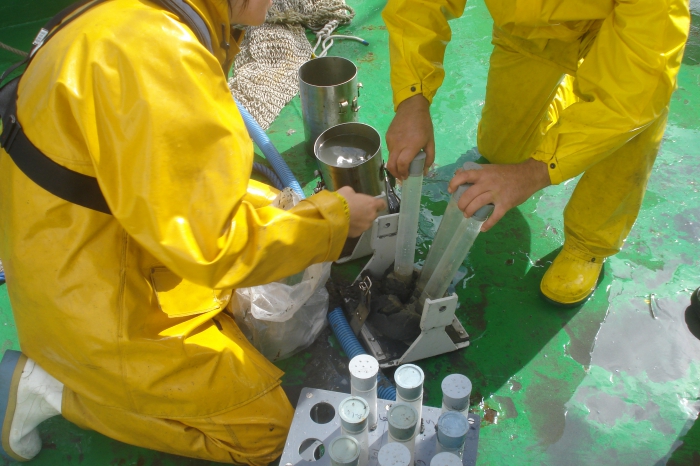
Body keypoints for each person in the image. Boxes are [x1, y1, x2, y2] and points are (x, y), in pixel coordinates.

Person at [0, 0, 385, 463]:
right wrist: (335, 220)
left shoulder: (152, 20)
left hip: (90, 237)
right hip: (90, 301)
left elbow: (176, 180)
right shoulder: (159, 58)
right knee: (267, 433)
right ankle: (55, 388)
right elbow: (212, 247)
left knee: (270, 203)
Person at [382, 0, 691, 306]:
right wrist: (413, 99)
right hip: (526, 27)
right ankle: (575, 109)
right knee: (500, 152)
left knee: (635, 121)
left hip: (616, 39)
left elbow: (635, 93)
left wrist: (532, 173)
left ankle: (588, 244)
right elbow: (417, 6)